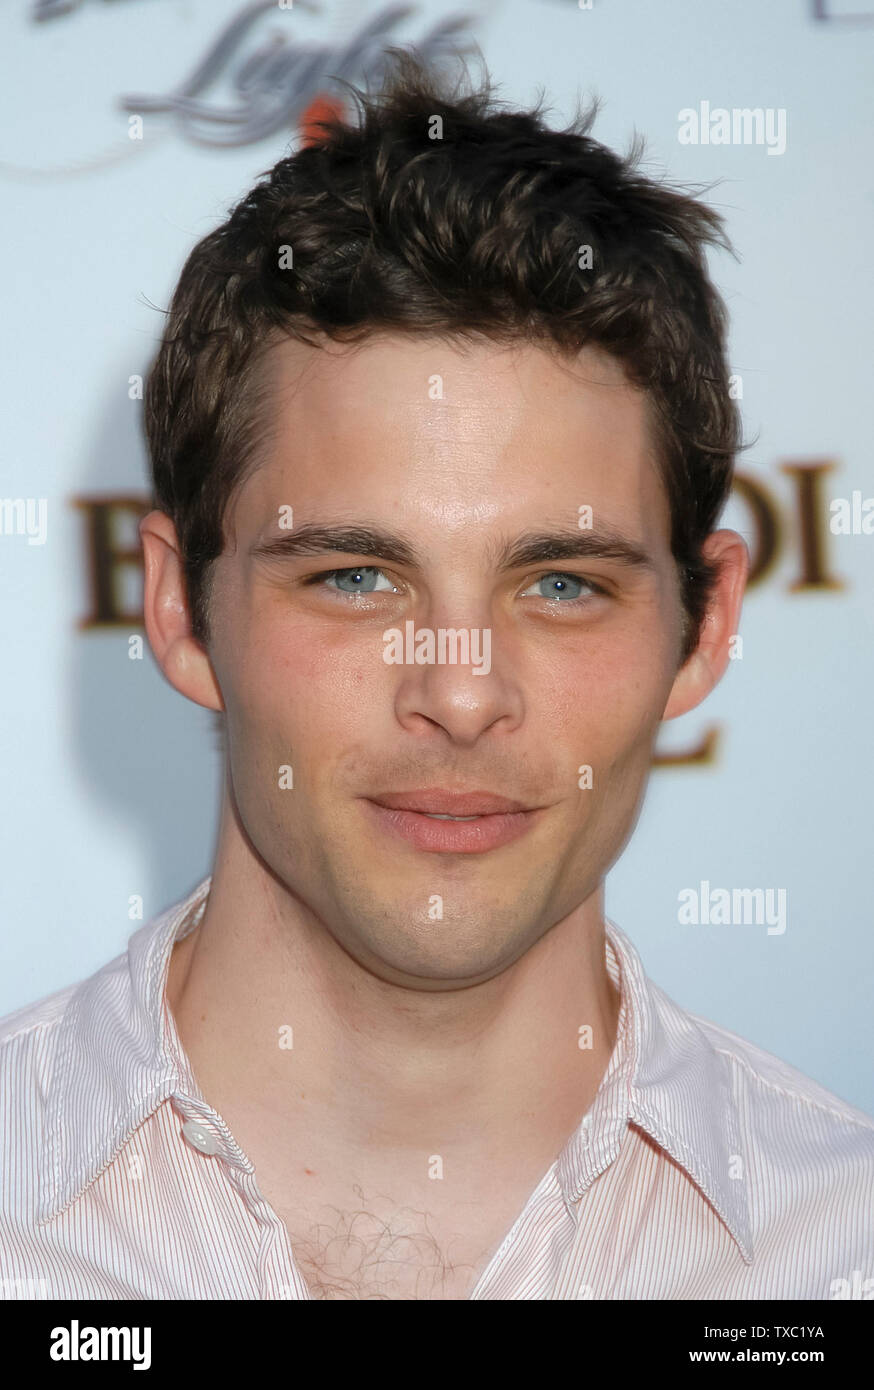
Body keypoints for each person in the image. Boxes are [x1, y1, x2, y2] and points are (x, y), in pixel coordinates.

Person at [2, 50, 871, 1301]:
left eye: (561, 583)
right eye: (357, 577)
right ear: (182, 608)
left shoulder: (841, 1255)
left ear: (704, 625)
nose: (460, 698)